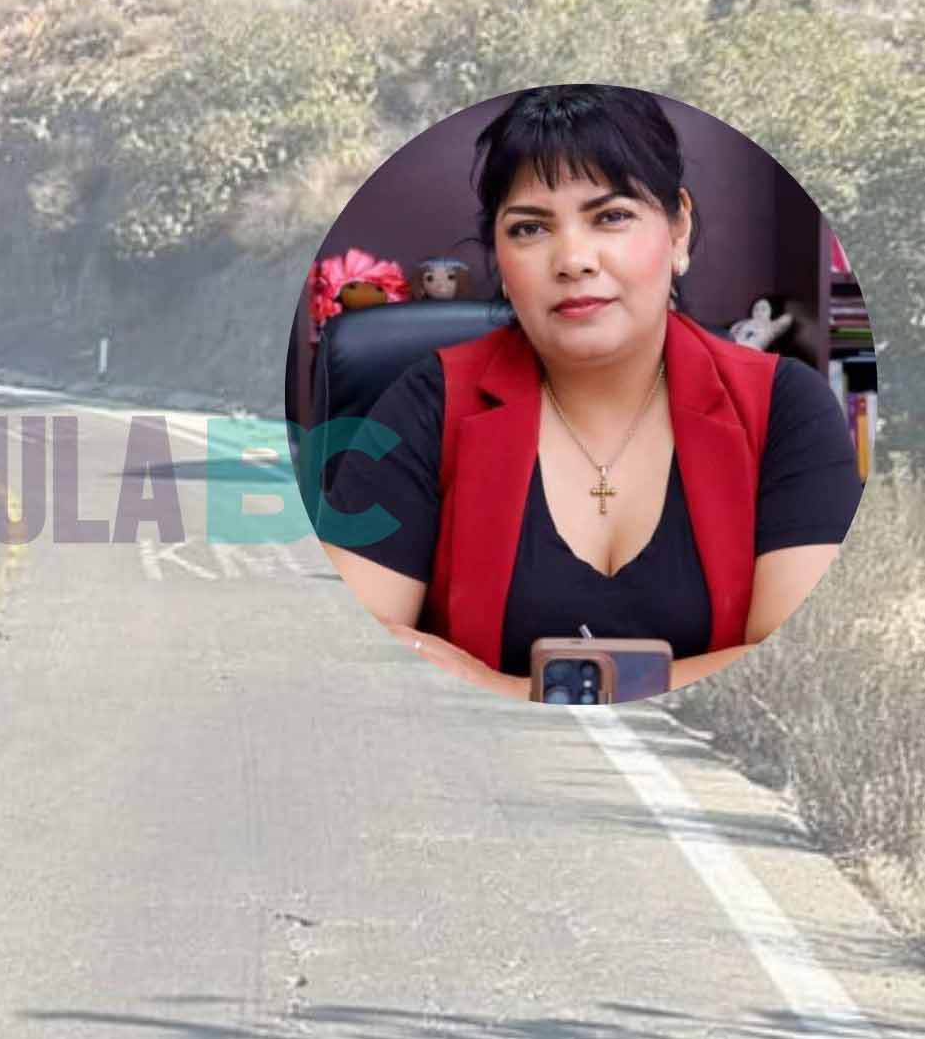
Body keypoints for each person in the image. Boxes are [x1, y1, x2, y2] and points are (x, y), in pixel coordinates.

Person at [316, 85, 862, 700]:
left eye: (611, 216)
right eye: (530, 228)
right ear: (500, 257)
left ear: (678, 230)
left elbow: (793, 672)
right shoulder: (429, 402)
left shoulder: (785, 407)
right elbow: (352, 651)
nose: (573, 259)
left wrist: (515, 691)